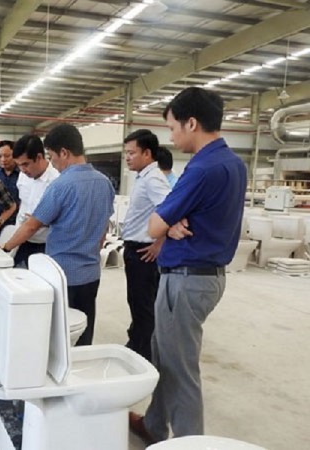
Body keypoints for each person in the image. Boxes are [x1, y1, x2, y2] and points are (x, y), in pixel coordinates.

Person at [129, 87, 247, 444]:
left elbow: (154, 226)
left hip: (187, 279)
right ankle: (154, 425)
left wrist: (166, 223)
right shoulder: (233, 163)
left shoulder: (202, 168)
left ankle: (189, 443)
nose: (170, 136)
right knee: (166, 355)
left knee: (180, 370)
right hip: (204, 276)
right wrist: (172, 222)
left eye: (172, 127)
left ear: (191, 123)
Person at [1, 124, 115, 346]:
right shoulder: (105, 183)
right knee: (83, 328)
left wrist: (5, 247)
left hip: (63, 273)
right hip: (91, 273)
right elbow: (104, 228)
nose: (52, 163)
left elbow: (32, 226)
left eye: (52, 157)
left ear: (64, 152)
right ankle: (83, 362)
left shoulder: (60, 185)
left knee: (59, 335)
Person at [121, 129, 171, 362]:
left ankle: (144, 355)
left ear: (147, 153)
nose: (127, 157)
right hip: (135, 249)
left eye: (132, 153)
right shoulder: (143, 176)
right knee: (137, 302)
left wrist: (160, 243)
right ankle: (137, 342)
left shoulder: (153, 179)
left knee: (143, 306)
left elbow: (171, 210)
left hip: (144, 252)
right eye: (126, 153)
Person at [11, 133, 59, 267]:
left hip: (45, 245)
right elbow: (23, 203)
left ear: (39, 157)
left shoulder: (56, 181)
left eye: (25, 164)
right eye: (19, 165)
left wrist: (44, 222)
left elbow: (64, 219)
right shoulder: (23, 175)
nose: (22, 169)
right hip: (21, 239)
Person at [0, 140, 20, 244]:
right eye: (0, 156)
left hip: (15, 224)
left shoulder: (24, 174)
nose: (3, 159)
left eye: (7, 156)